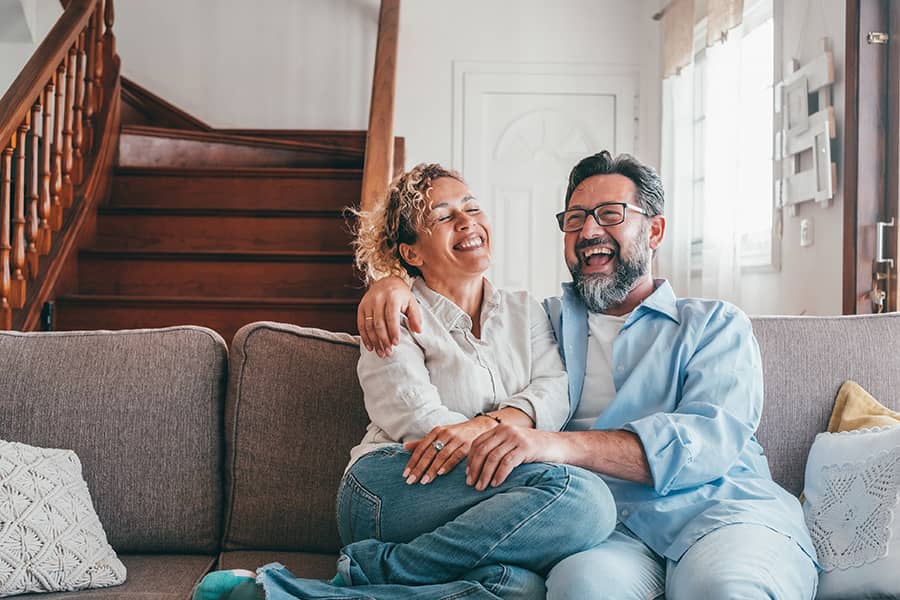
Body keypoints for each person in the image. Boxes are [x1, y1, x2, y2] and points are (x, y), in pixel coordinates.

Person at [357, 151, 820, 599]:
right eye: (575, 219)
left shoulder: (716, 324)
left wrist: (554, 444)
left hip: (721, 514)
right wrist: (390, 283)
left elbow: (708, 440)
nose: (589, 230)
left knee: (724, 590)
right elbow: (450, 294)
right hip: (609, 529)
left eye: (610, 214)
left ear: (655, 230)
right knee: (581, 589)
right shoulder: (545, 321)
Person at [193, 163, 616, 600]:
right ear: (411, 253)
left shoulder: (524, 309)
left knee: (517, 588)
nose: (467, 221)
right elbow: (420, 421)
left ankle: (289, 595)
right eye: (444, 216)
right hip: (393, 482)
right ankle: (366, 571)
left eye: (471, 207)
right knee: (584, 498)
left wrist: (486, 427)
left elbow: (554, 389)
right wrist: (508, 439)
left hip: (480, 490)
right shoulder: (391, 311)